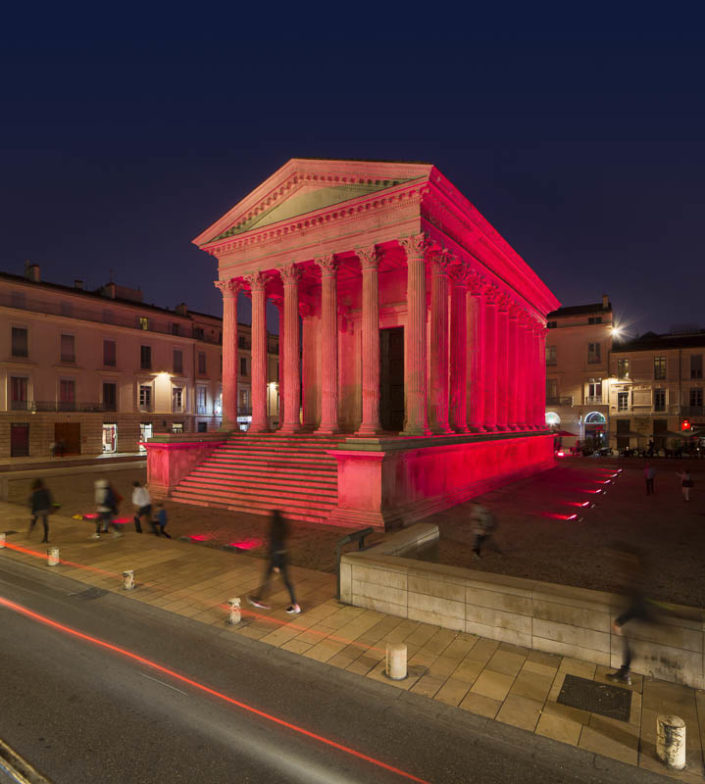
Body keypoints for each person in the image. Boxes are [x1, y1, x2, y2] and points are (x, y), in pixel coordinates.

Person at [607, 547, 658, 686]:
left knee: (628, 646)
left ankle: (624, 674)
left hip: (633, 621)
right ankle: (624, 673)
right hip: (634, 620)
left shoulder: (635, 578)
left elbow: (636, 605)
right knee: (628, 646)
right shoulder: (637, 577)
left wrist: (620, 621)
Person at [247, 510, 301, 614]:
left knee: (267, 579)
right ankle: (295, 604)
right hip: (284, 557)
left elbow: (275, 546)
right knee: (286, 581)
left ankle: (258, 598)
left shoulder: (274, 530)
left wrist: (276, 564)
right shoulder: (283, 528)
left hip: (275, 558)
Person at [28, 478, 53, 544]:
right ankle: (45, 538)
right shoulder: (46, 491)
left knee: (34, 521)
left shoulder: (35, 493)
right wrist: (50, 508)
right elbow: (49, 500)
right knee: (45, 524)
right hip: (45, 510)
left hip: (37, 510)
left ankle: (30, 532)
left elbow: (33, 503)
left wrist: (32, 512)